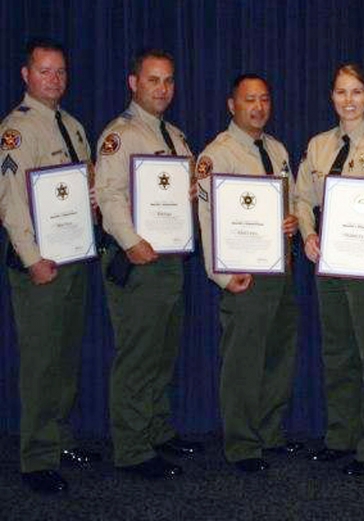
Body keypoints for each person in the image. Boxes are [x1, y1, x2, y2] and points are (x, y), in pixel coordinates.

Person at [95, 49, 202, 480]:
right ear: (133, 82)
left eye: (169, 81)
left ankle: (156, 428)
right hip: (135, 260)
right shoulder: (119, 136)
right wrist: (132, 241)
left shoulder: (175, 136)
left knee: (162, 352)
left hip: (169, 261)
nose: (162, 88)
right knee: (138, 355)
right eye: (153, 80)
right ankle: (133, 448)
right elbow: (108, 194)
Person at [0, 38, 100, 494]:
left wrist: (95, 207)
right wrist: (32, 258)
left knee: (64, 358)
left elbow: (84, 188)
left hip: (74, 258)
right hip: (39, 264)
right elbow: (11, 203)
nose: (54, 79)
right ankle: (36, 459)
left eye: (60, 71)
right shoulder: (16, 131)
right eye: (45, 71)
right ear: (26, 75)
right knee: (41, 363)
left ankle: (58, 440)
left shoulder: (74, 127)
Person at [295, 63, 364, 476]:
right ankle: (341, 437)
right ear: (331, 97)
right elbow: (302, 197)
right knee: (337, 353)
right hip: (331, 265)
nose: (349, 100)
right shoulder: (319, 146)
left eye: (357, 92)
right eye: (341, 92)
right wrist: (307, 235)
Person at [197, 74, 300, 473]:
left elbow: (282, 206)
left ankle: (269, 433)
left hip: (280, 272)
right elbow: (206, 218)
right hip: (244, 276)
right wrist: (221, 276)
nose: (258, 107)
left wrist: (289, 222)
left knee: (278, 355)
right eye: (248, 100)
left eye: (264, 99)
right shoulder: (216, 155)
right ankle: (241, 445)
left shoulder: (276, 149)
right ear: (231, 105)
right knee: (242, 361)